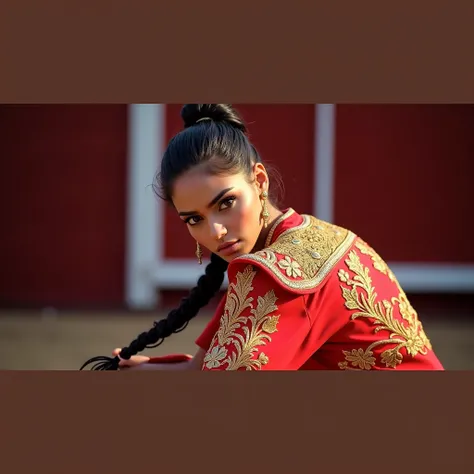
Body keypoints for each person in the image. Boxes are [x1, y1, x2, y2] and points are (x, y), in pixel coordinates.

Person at [80, 104, 444, 371]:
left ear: (260, 181)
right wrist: (144, 370)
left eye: (226, 203)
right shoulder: (303, 240)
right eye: (194, 219)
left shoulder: (280, 269)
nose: (215, 231)